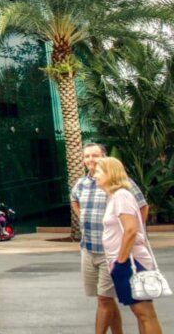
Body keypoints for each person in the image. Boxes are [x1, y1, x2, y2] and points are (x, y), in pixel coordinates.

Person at [72, 142, 149, 334]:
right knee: (105, 298)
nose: (90, 160)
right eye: (87, 156)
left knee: (105, 299)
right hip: (89, 249)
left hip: (112, 252)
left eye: (95, 155)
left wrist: (131, 232)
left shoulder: (119, 184)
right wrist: (81, 216)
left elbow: (142, 207)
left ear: (104, 157)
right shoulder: (81, 183)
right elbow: (73, 199)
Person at [95, 157, 164, 334]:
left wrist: (120, 261)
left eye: (99, 172)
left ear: (111, 174)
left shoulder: (121, 196)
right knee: (140, 312)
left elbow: (131, 230)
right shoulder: (113, 197)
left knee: (144, 312)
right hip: (124, 262)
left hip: (132, 262)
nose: (95, 176)